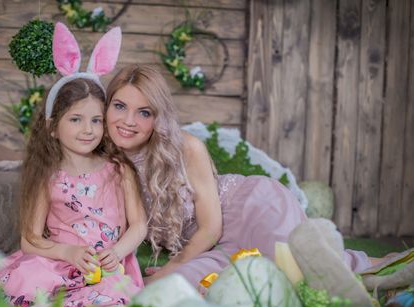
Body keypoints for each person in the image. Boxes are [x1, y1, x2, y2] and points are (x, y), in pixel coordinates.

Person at [104, 64, 373, 287]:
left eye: (144, 112)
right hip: (214, 245)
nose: (128, 121)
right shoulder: (106, 161)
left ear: (158, 117)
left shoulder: (185, 148)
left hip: (251, 208)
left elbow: (210, 227)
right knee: (199, 284)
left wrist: (172, 265)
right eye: (119, 106)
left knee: (296, 266)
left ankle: (388, 265)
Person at [0, 24, 146, 307]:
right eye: (75, 119)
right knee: (28, 277)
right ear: (52, 127)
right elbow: (30, 239)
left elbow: (138, 225)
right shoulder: (48, 176)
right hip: (61, 260)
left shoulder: (119, 169)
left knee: (114, 293)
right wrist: (68, 252)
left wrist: (118, 251)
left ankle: (83, 302)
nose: (87, 130)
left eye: (96, 120)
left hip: (107, 266)